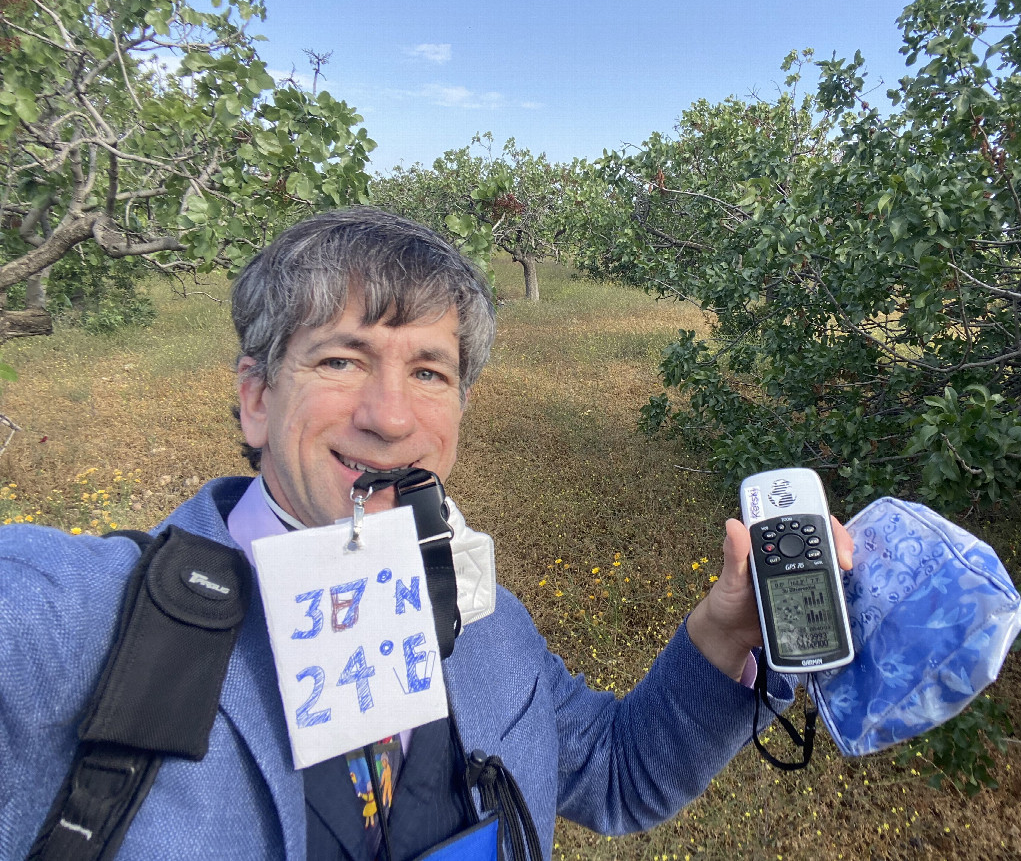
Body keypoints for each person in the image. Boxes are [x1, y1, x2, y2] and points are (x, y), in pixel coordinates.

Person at [0, 207, 853, 860]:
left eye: (429, 372)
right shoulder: (86, 622)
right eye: (341, 360)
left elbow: (617, 775)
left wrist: (722, 632)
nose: (390, 417)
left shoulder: (490, 622)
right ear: (258, 398)